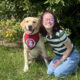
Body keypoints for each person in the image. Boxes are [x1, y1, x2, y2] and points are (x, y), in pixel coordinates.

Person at [39, 10, 79, 78]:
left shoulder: (59, 33)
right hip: (59, 55)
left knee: (58, 73)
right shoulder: (45, 34)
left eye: (51, 19)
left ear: (54, 22)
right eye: (46, 19)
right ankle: (66, 65)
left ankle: (75, 67)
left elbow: (70, 48)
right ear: (42, 21)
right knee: (50, 72)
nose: (48, 21)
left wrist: (61, 61)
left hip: (71, 55)